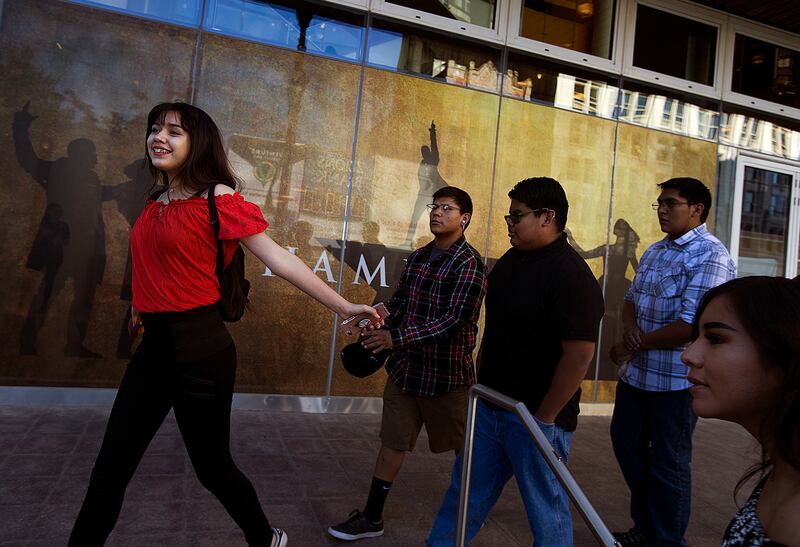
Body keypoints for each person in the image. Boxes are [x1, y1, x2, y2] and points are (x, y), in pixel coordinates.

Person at [68, 102, 381, 547]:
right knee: (109, 471)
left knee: (212, 468)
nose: (159, 137)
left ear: (197, 143)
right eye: (155, 129)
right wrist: (141, 304)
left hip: (203, 356)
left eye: (174, 131)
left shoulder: (218, 198)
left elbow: (281, 260)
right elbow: (156, 260)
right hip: (154, 354)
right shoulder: (155, 200)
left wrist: (344, 306)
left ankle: (264, 537)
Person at [427, 177, 604, 546]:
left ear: (547, 217)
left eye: (517, 216)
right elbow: (497, 329)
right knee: (464, 497)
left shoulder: (572, 276)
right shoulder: (512, 260)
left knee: (546, 510)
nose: (509, 224)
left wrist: (544, 419)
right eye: (509, 216)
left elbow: (579, 357)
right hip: (491, 407)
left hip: (535, 418)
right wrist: (479, 387)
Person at [328, 186, 487, 541]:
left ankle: (472, 511)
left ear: (464, 218)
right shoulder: (417, 257)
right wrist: (375, 320)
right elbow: (400, 305)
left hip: (447, 379)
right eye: (434, 206)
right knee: (392, 443)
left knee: (465, 450)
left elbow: (453, 321)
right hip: (406, 373)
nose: (437, 212)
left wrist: (394, 339)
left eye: (447, 208)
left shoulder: (470, 264)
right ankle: (372, 518)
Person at [608, 177, 736, 546]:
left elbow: (693, 324)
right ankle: (646, 528)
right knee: (627, 446)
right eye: (660, 204)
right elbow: (630, 299)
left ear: (696, 209)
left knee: (669, 463)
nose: (662, 210)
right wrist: (631, 329)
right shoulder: (656, 250)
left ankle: (666, 540)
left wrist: (638, 342)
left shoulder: (711, 255)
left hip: (677, 384)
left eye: (671, 203)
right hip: (638, 376)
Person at [681, 276, 800, 546]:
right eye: (696, 337)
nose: (688, 355)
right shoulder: (783, 469)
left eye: (716, 338)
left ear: (785, 354)